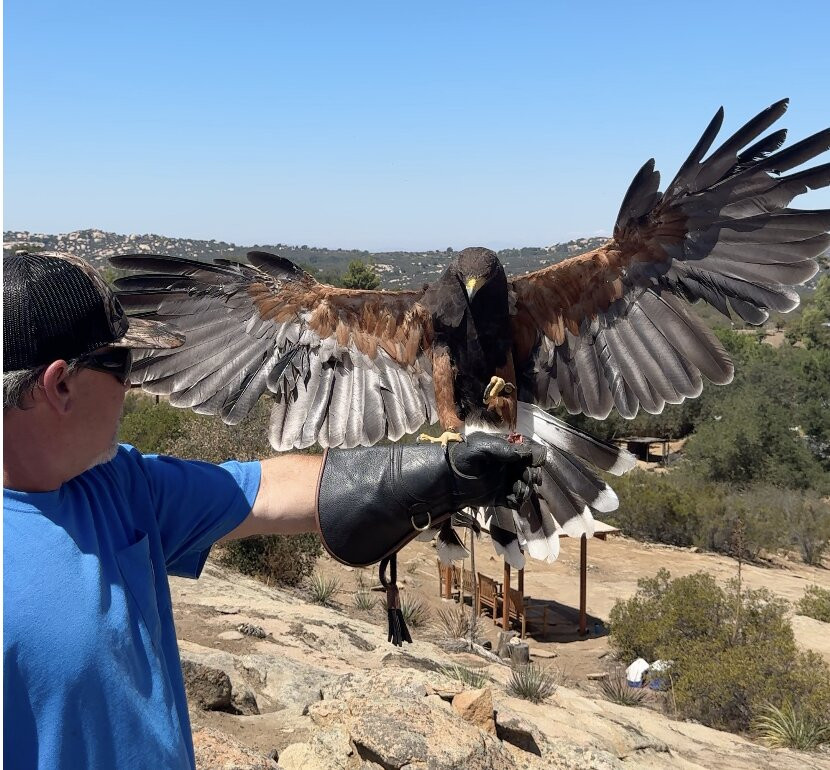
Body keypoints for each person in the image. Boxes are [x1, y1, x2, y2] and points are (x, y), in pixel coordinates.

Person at [3, 250, 545, 770]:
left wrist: (441, 472)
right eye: (119, 362)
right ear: (59, 386)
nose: (133, 379)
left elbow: (267, 489)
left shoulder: (118, 485)